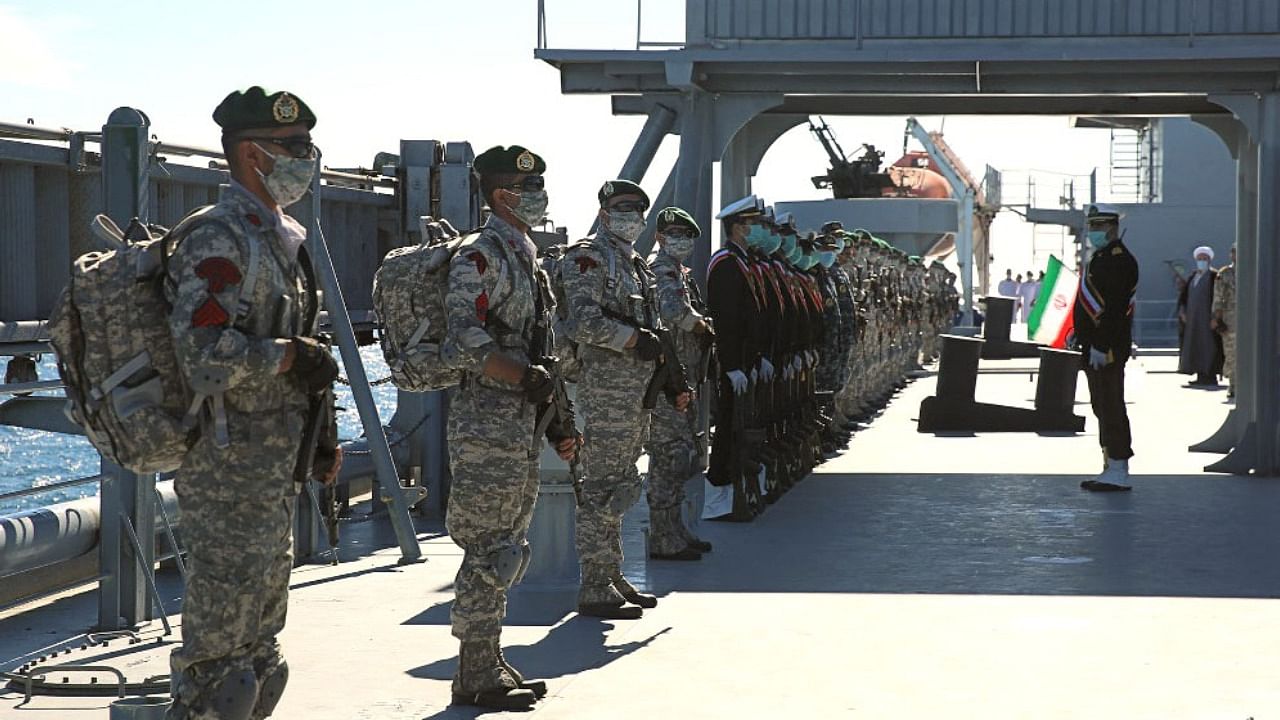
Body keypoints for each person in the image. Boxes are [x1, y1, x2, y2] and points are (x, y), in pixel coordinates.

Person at [166, 87, 341, 720]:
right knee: (218, 669)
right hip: (226, 468)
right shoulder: (220, 239)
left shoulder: (278, 239)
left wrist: (322, 435)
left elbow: (299, 350)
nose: (308, 159)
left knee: (261, 658)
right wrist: (290, 356)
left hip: (272, 469)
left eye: (308, 147)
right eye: (294, 148)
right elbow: (204, 354)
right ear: (251, 153)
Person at [442, 145, 579, 710]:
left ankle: (488, 656)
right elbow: (465, 339)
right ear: (504, 195)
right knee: (487, 548)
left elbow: (539, 351)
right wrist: (524, 378)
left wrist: (554, 421)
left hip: (520, 420)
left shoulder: (526, 256)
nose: (541, 196)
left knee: (507, 546)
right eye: (532, 186)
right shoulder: (480, 256)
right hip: (487, 422)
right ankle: (474, 672)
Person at [561, 180, 691, 619]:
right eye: (621, 208)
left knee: (620, 486)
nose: (630, 215)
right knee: (599, 488)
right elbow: (582, 321)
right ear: (603, 213)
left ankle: (612, 575)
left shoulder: (634, 264)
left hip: (634, 393)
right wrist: (633, 339)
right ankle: (595, 585)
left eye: (637, 209)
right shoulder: (589, 257)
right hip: (606, 391)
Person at [646, 206, 715, 560]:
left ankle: (675, 529)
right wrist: (699, 323)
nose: (682, 241)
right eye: (675, 234)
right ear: (659, 237)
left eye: (687, 235)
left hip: (683, 378)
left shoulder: (679, 273)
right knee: (668, 457)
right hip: (665, 382)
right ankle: (662, 537)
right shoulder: (661, 272)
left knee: (680, 457)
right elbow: (673, 312)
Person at [1074, 204, 1140, 492]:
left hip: (1109, 346)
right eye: (1092, 227)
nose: (1093, 232)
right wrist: (1081, 337)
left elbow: (1114, 309)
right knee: (1101, 404)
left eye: (1098, 227)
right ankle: (1108, 464)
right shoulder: (1101, 257)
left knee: (1111, 404)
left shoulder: (1119, 260)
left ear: (1112, 228)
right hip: (1094, 345)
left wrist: (1101, 344)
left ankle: (1119, 465)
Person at [1178, 245, 1220, 387]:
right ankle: (1199, 375)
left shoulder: (1214, 276)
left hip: (1207, 319)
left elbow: (1218, 298)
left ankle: (1210, 375)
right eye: (1199, 258)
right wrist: (1182, 313)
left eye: (1204, 258)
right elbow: (1184, 298)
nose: (1202, 261)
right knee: (1194, 346)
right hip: (1192, 320)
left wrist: (1216, 318)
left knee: (1208, 346)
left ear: (1209, 260)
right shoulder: (1193, 277)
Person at [1212, 245, 1237, 399]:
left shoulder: (1254, 270)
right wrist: (1217, 318)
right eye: (1234, 252)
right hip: (1231, 318)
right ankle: (1234, 385)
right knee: (1231, 352)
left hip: (1253, 317)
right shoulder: (1225, 274)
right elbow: (1218, 297)